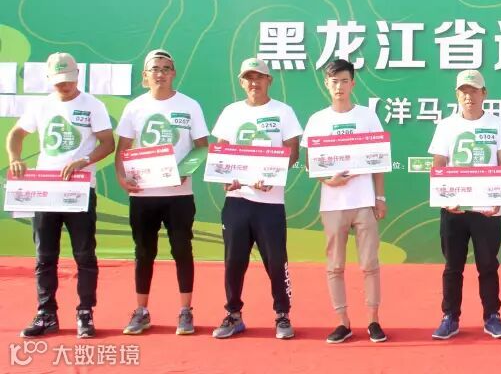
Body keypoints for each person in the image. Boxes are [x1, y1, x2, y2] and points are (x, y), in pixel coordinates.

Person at [7, 52, 115, 338]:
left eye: (68, 79)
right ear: (49, 79)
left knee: (84, 254)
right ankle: (46, 313)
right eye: (58, 81)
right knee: (44, 255)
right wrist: (15, 158)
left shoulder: (93, 105)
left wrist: (84, 160)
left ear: (78, 75)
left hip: (79, 189)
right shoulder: (41, 105)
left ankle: (85, 313)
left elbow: (108, 143)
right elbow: (16, 134)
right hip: (46, 190)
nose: (64, 85)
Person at [115, 49, 209, 336]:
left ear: (174, 73)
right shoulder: (135, 107)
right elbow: (122, 149)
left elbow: (202, 147)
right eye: (155, 69)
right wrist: (122, 178)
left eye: (166, 68)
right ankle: (141, 311)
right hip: (143, 194)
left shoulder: (189, 105)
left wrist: (185, 171)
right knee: (144, 252)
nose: (160, 73)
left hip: (179, 195)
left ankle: (185, 311)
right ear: (145, 75)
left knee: (182, 250)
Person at [210, 57, 302, 340]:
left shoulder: (283, 112)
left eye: (259, 77)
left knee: (276, 262)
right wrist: (226, 177)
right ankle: (233, 314)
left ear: (269, 80)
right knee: (233, 262)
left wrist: (273, 175)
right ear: (241, 82)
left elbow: (293, 151)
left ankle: (282, 314)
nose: (254, 82)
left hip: (270, 203)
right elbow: (221, 150)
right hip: (237, 200)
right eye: (249, 78)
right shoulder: (231, 112)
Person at [301, 59, 388, 344]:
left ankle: (373, 320)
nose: (339, 86)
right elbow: (310, 162)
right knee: (335, 266)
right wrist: (328, 180)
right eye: (334, 81)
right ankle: (343, 322)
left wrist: (379, 197)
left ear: (353, 83)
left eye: (344, 81)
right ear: (326, 84)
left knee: (370, 263)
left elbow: (378, 161)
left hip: (364, 201)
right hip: (332, 204)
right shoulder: (317, 120)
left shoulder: (367, 117)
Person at [428, 70, 501, 340]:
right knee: (452, 266)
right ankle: (450, 317)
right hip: (454, 209)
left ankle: (492, 316)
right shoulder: (446, 126)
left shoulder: (499, 125)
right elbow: (439, 165)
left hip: (487, 210)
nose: (469, 96)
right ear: (457, 95)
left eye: (474, 91)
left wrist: (497, 199)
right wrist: (445, 199)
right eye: (464, 91)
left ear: (484, 93)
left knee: (488, 265)